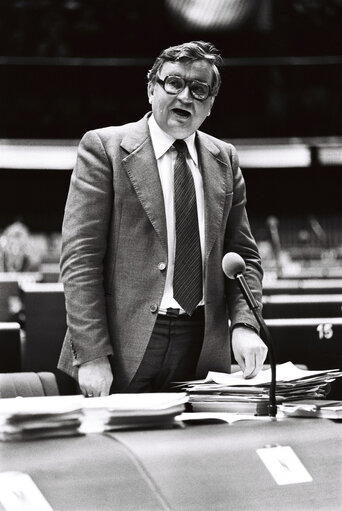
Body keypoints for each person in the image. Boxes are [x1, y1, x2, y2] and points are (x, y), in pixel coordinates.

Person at [58, 40, 267, 397]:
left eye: (199, 89)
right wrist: (92, 355)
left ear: (210, 105)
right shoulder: (103, 149)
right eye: (174, 83)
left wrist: (245, 325)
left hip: (201, 344)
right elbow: (80, 260)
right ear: (152, 88)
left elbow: (243, 257)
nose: (186, 96)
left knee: (196, 453)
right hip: (122, 345)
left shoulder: (225, 159)